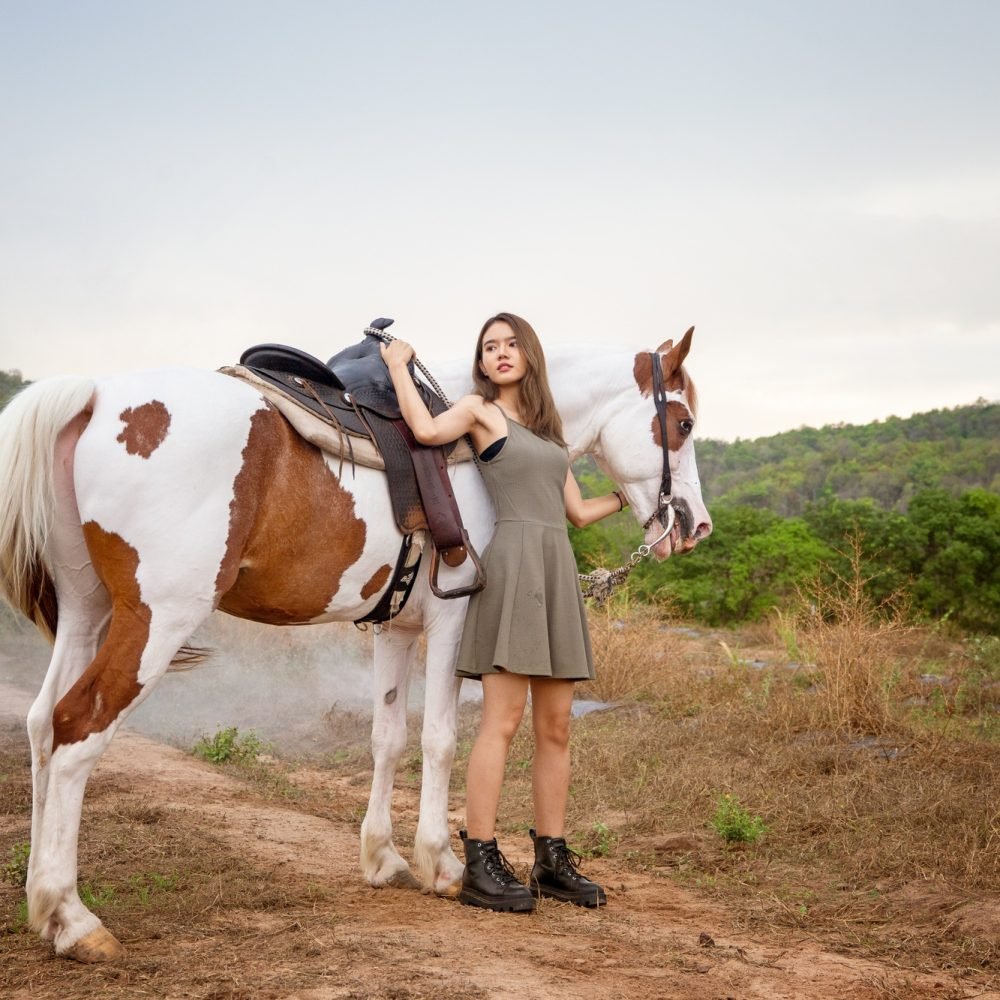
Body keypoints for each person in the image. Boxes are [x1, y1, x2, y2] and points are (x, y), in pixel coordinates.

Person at [381, 312, 628, 913]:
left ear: (530, 353)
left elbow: (575, 511)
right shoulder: (479, 411)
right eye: (490, 347)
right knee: (503, 720)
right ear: (482, 362)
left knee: (557, 726)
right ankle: (482, 858)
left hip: (556, 569)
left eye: (510, 343)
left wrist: (632, 497)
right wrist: (397, 367)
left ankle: (551, 858)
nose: (500, 353)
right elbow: (422, 427)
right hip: (514, 566)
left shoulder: (551, 433)